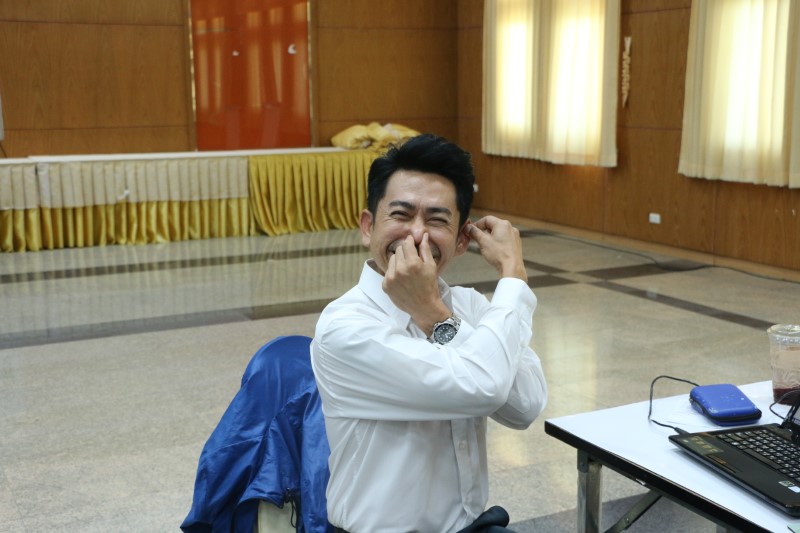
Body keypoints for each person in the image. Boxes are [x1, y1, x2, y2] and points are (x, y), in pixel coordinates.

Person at [310, 133, 548, 532]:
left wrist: (436, 313)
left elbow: (524, 406)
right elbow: (485, 386)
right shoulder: (345, 328)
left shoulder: (471, 305)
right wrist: (511, 279)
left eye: (437, 220)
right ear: (368, 227)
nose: (417, 234)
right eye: (401, 215)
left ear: (461, 241)